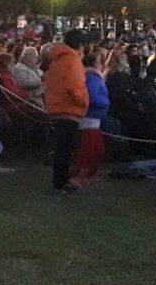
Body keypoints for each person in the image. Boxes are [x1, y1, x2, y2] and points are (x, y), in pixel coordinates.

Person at [44, 29, 89, 193]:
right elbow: (75, 87)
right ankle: (62, 183)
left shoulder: (56, 61)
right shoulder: (73, 61)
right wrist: (85, 102)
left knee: (61, 149)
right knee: (66, 150)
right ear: (80, 45)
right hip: (69, 109)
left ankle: (60, 181)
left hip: (57, 107)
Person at [69, 52, 109, 187]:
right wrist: (105, 102)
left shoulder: (92, 77)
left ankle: (90, 173)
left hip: (94, 119)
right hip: (90, 118)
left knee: (97, 148)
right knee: (88, 148)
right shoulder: (92, 78)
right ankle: (77, 175)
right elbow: (91, 96)